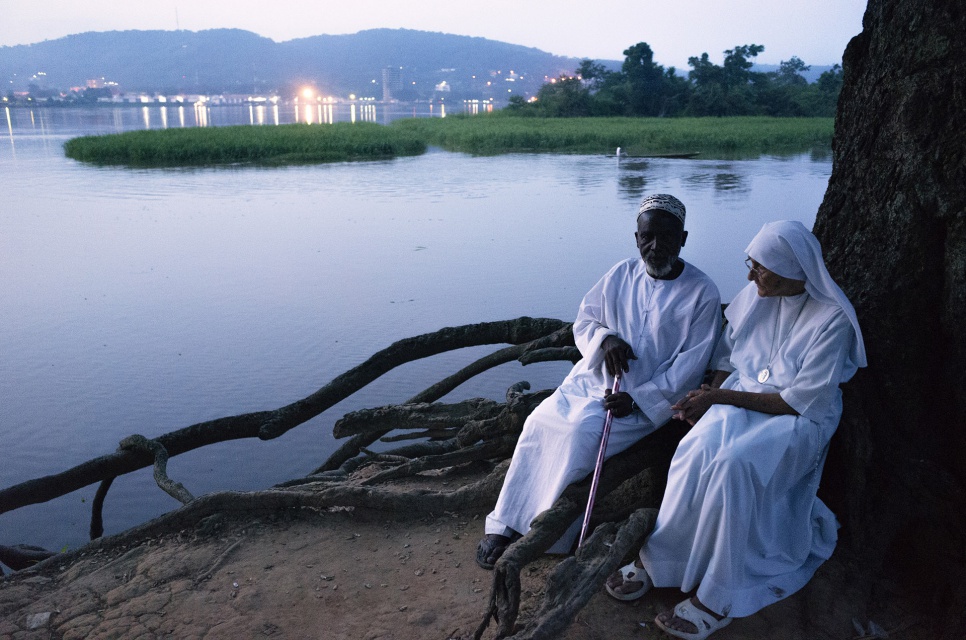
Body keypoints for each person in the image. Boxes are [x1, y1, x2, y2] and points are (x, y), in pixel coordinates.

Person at [605, 220, 867, 640]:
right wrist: (706, 395)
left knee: (734, 465)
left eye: (760, 269)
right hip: (741, 395)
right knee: (694, 448)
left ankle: (718, 595)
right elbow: (729, 355)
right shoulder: (757, 295)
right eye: (751, 264)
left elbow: (796, 401)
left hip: (798, 418)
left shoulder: (832, 321)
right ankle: (663, 560)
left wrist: (718, 399)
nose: (749, 276)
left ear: (793, 270)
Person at [475, 194, 722, 570]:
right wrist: (605, 339)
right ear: (636, 238)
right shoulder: (620, 274)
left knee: (580, 434)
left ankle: (546, 531)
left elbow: (690, 367)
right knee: (538, 422)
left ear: (684, 239)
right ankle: (503, 523)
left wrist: (638, 400)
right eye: (647, 238)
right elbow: (585, 321)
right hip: (591, 381)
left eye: (666, 238)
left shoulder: (702, 292)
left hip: (643, 404)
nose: (655, 247)